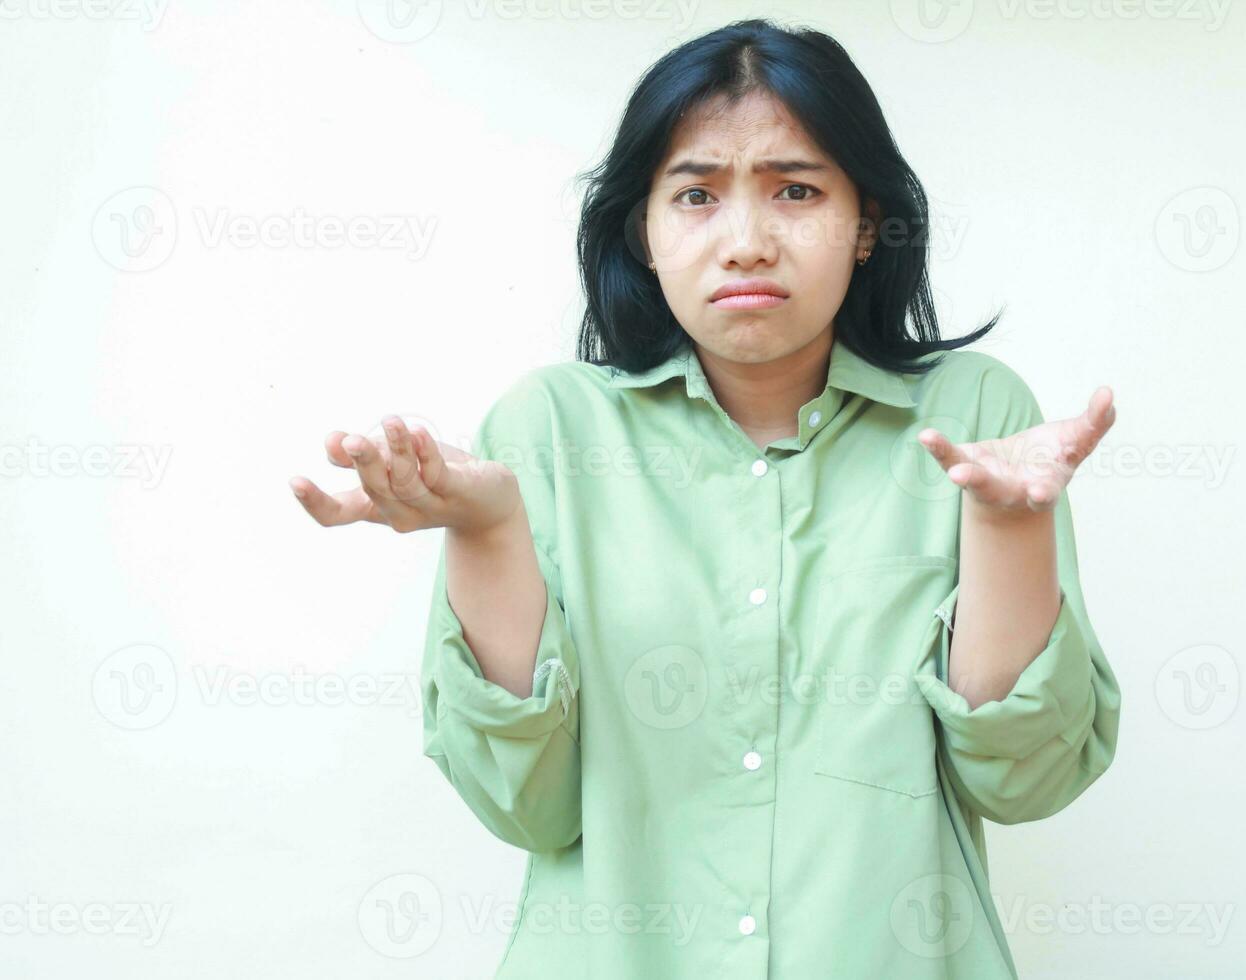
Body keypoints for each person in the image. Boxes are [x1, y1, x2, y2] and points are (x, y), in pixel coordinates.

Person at [289, 18, 1120, 980]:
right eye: (695, 195)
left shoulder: (973, 417)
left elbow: (1024, 781)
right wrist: (486, 534)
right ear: (641, 231)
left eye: (796, 191)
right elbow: (528, 807)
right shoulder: (549, 430)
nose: (747, 243)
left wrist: (1009, 524)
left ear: (864, 225)